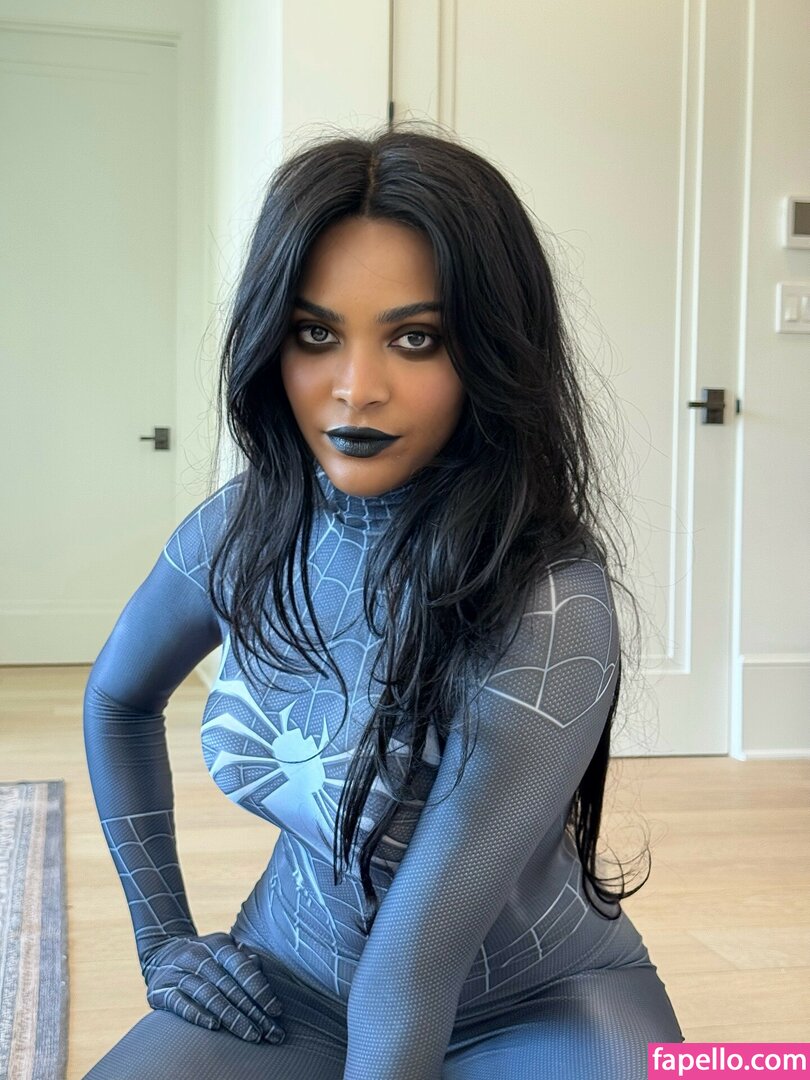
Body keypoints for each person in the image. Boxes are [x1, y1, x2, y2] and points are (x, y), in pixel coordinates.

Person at [82, 126, 683, 1080]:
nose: (356, 390)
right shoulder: (240, 529)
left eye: (416, 338)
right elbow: (117, 699)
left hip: (538, 1004)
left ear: (492, 351)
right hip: (289, 980)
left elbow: (409, 975)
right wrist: (162, 943)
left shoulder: (550, 605)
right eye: (316, 334)